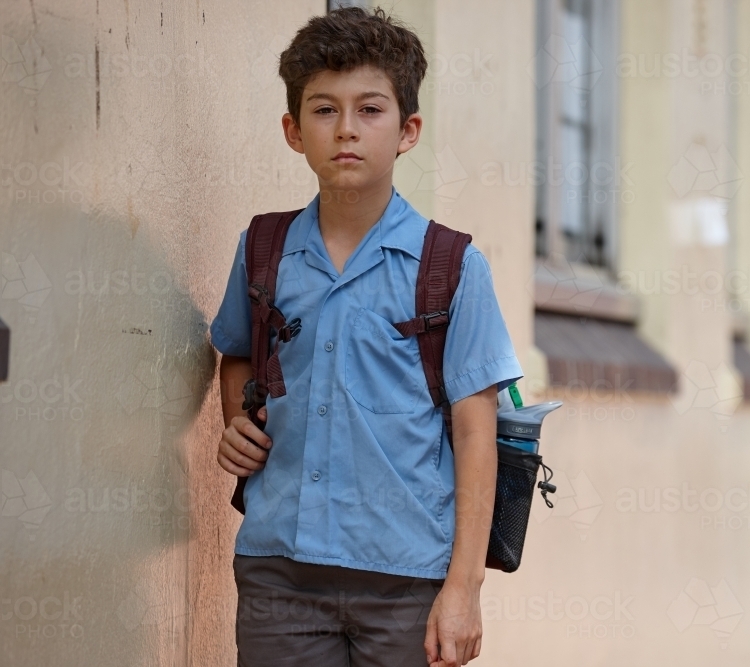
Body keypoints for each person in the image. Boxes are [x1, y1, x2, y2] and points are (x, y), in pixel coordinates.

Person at [209, 7, 523, 666]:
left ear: (408, 130)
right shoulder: (264, 249)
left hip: (407, 578)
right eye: (324, 110)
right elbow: (238, 349)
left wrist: (463, 587)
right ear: (294, 131)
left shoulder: (452, 267)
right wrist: (237, 418)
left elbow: (475, 430)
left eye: (370, 109)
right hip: (279, 572)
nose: (346, 130)